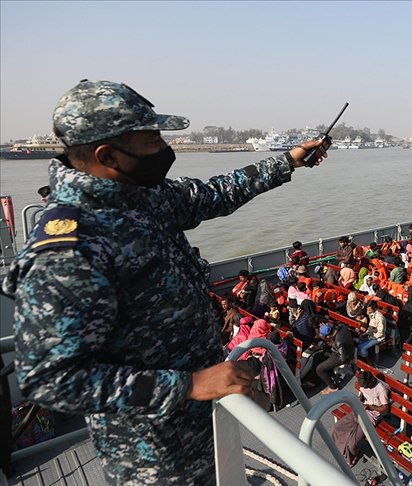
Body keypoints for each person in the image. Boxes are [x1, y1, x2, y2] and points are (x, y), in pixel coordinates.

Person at [1, 79, 330, 484]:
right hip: (152, 453)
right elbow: (49, 378)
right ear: (110, 155)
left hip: (202, 423)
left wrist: (288, 162)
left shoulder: (140, 195)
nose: (165, 147)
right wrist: (188, 384)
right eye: (152, 138)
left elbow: (212, 194)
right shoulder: (71, 248)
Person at [331, 371, 390, 467]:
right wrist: (361, 398)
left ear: (371, 381)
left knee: (351, 443)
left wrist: (371, 407)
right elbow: (362, 393)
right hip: (359, 410)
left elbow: (385, 408)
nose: (365, 388)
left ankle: (352, 456)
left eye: (366, 387)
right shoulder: (364, 384)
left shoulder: (381, 389)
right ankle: (340, 449)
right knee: (336, 428)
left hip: (371, 416)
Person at [314, 322, 355, 395]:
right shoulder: (342, 327)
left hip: (339, 355)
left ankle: (333, 387)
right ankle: (332, 376)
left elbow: (343, 358)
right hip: (346, 347)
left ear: (328, 336)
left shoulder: (338, 342)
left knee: (319, 369)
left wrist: (333, 344)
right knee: (317, 357)